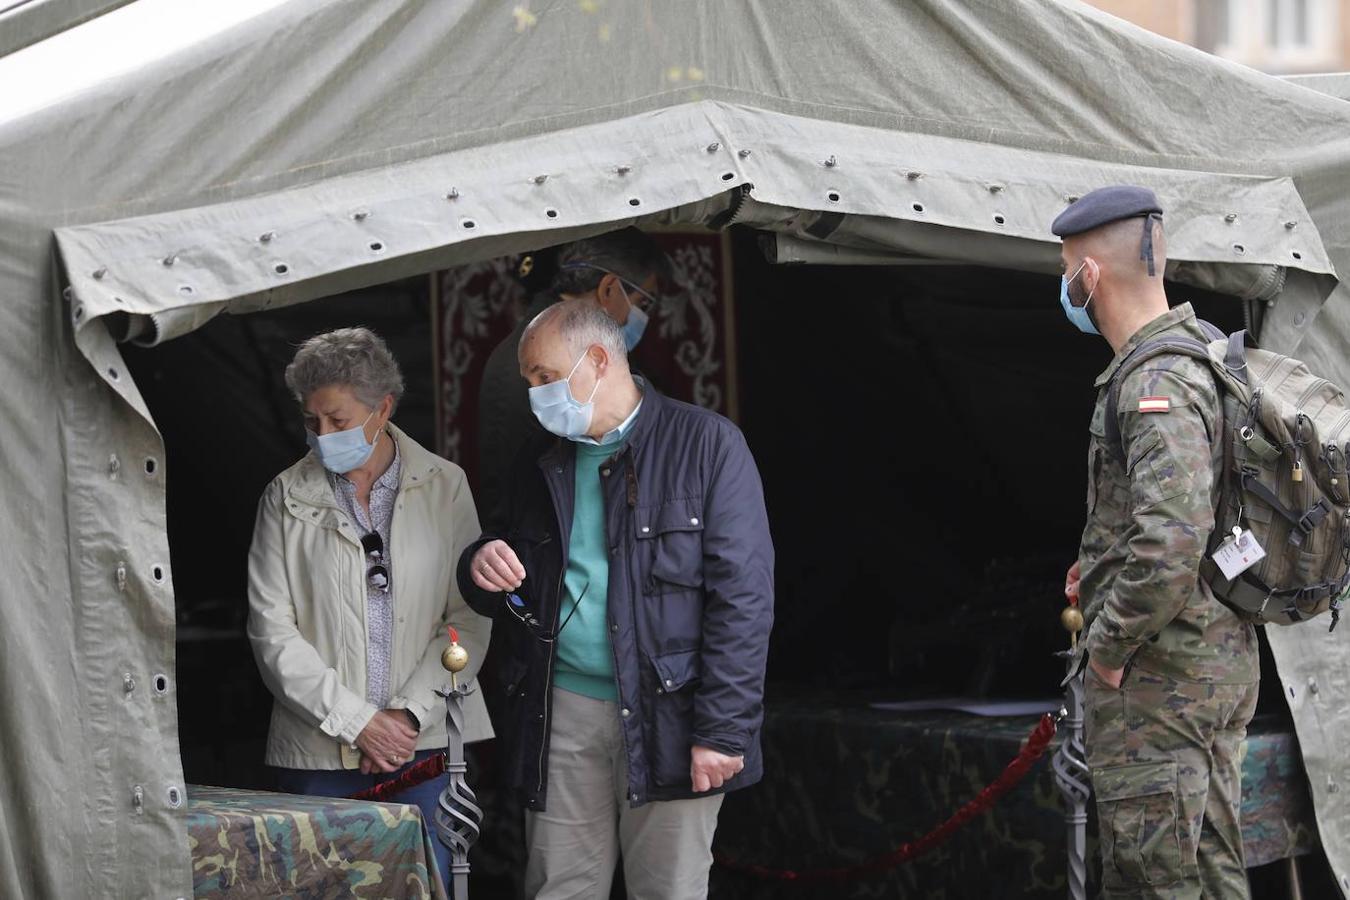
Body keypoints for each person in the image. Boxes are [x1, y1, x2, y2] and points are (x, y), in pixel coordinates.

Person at [458, 298, 774, 900]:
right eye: (529, 382)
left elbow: (744, 600)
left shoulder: (707, 445)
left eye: (545, 377)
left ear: (597, 359)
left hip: (673, 714)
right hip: (562, 709)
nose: (535, 395)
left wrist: (724, 730)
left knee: (669, 891)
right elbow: (498, 561)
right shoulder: (538, 457)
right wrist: (479, 563)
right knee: (558, 889)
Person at [1055, 186, 1259, 899]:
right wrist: (1098, 564)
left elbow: (1171, 542)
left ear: (1089, 276)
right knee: (1208, 873)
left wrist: (1108, 650)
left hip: (1164, 680)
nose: (1067, 287)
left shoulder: (1157, 380)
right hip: (1211, 662)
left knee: (1152, 883)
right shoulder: (1204, 354)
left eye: (1065, 270)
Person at [246, 326, 493, 888]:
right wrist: (359, 724)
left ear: (383, 409)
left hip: (426, 745)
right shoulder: (283, 497)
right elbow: (271, 633)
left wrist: (404, 718)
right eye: (311, 421)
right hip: (316, 753)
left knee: (431, 885)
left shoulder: (444, 485)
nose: (322, 435)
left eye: (337, 420)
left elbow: (469, 615)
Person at [475, 227, 672, 521]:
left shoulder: (564, 341)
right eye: (644, 303)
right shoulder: (544, 356)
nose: (643, 318)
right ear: (608, 289)